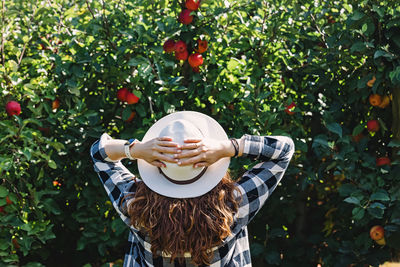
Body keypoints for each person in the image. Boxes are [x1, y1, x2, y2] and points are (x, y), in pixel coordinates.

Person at [90, 111, 294, 267]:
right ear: (209, 161)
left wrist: (134, 149)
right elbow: (284, 151)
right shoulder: (233, 205)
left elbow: (99, 154)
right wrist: (229, 147)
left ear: (156, 165)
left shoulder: (136, 207)